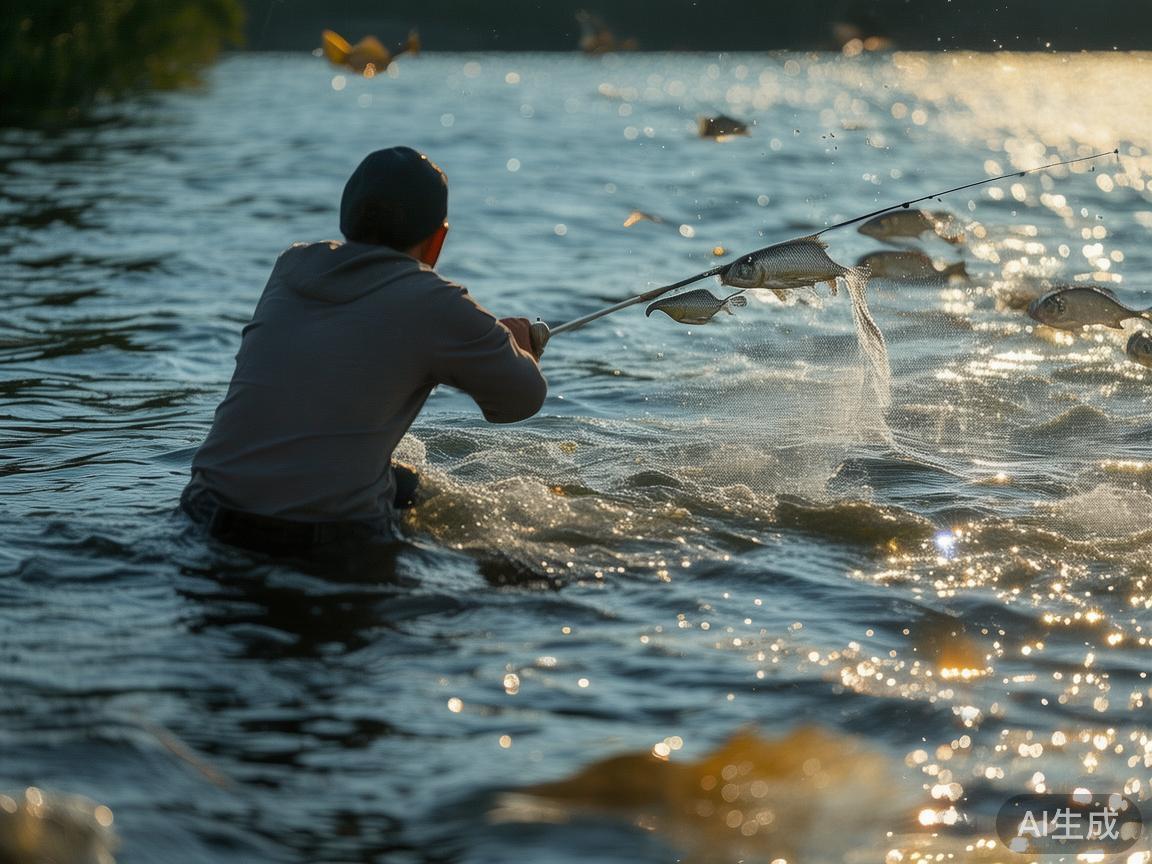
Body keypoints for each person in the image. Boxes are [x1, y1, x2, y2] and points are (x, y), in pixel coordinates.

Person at [180, 146, 547, 556]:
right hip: (321, 541)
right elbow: (521, 399)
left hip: (203, 514)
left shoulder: (290, 268)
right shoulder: (435, 302)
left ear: (346, 219)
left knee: (403, 482)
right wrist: (519, 347)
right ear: (437, 240)